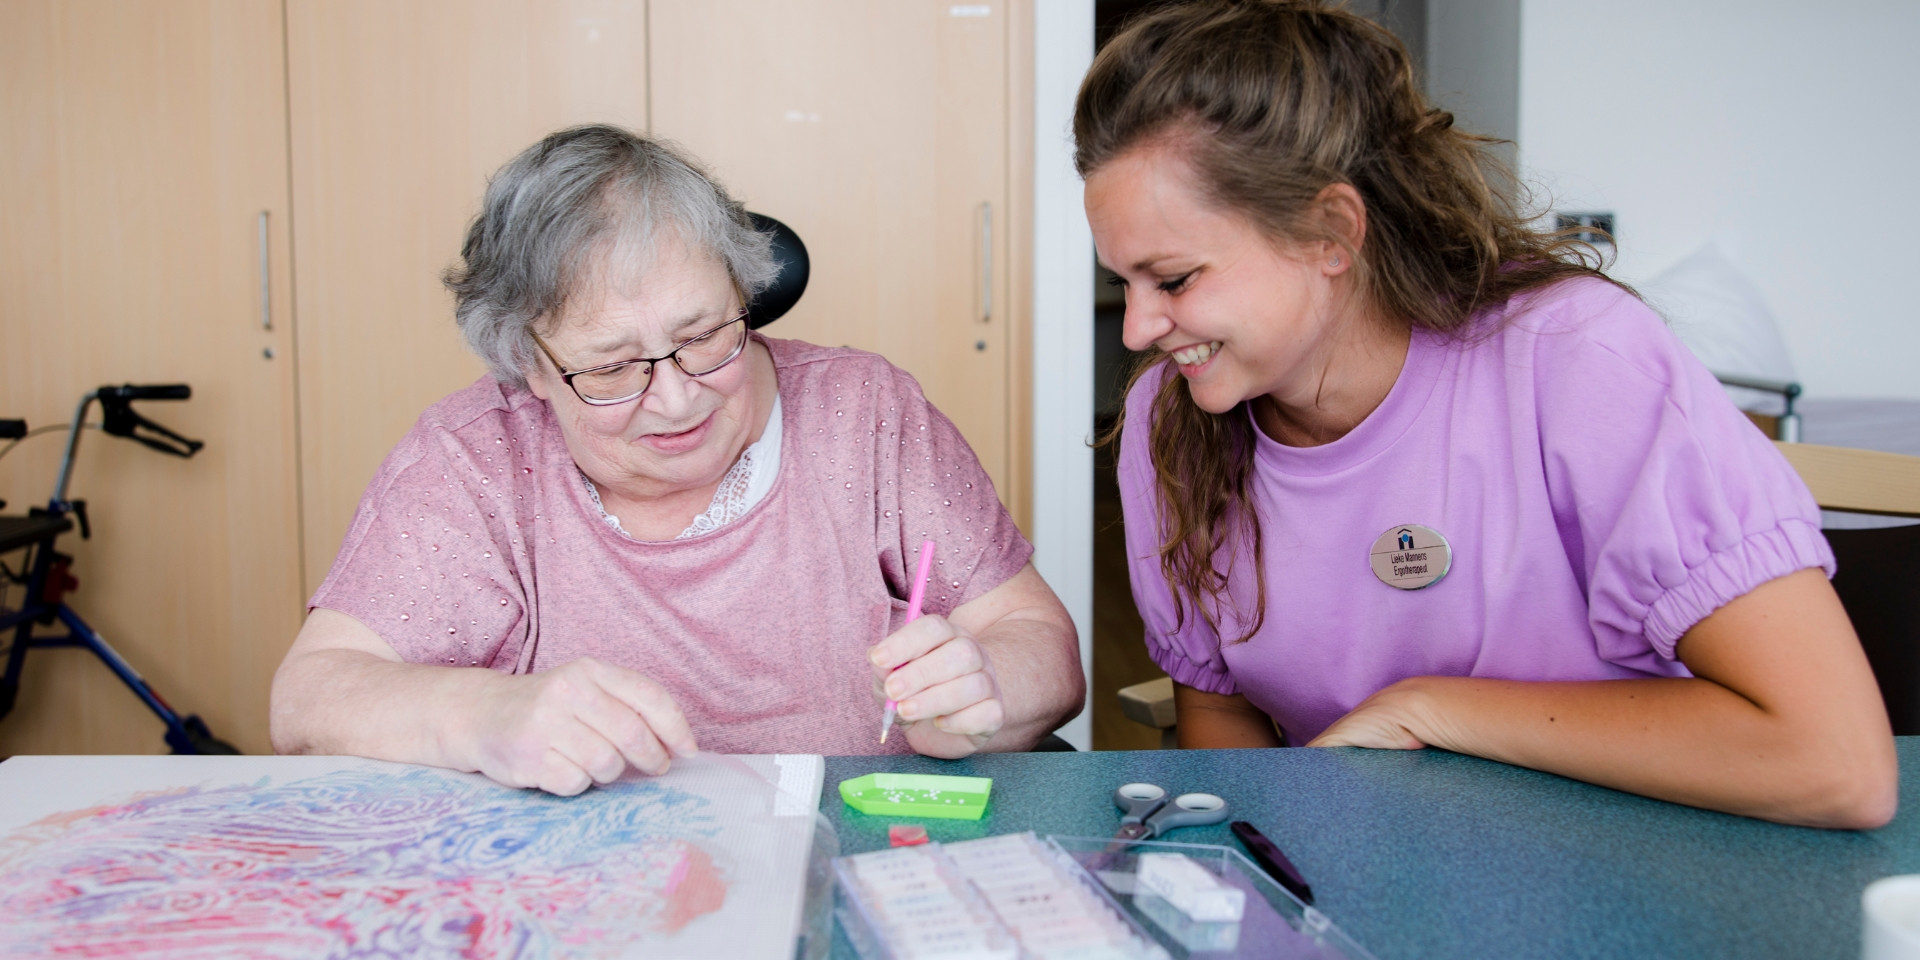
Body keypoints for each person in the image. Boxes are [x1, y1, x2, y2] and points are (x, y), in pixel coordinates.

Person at [1082, 1, 1895, 828]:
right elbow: (1223, 710)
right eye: (1125, 282)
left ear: (1330, 232)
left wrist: (1432, 710)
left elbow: (1838, 766)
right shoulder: (1168, 421)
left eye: (1175, 279)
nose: (1141, 328)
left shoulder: (1576, 357)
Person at [271, 126, 1083, 795]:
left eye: (703, 336)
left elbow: (1036, 639)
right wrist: (486, 713)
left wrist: (984, 687)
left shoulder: (864, 410)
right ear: (529, 365)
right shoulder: (475, 459)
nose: (677, 399)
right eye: (612, 368)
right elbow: (309, 699)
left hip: (861, 843)